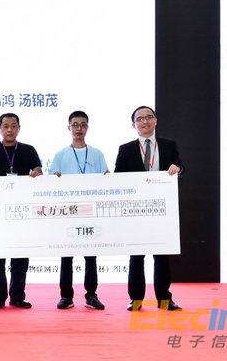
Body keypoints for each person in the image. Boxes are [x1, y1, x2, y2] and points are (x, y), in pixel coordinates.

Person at [114, 106, 183, 311]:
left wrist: (177, 169)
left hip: (162, 210)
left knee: (162, 256)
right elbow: (118, 178)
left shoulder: (169, 145)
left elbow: (181, 167)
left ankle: (164, 299)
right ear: (133, 124)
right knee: (136, 257)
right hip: (136, 211)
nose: (144, 121)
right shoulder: (125, 149)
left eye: (148, 117)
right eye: (140, 119)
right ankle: (136, 299)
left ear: (155, 120)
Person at [0, 112, 43, 309]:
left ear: (19, 128)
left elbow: (38, 170)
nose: (9, 130)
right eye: (5, 126)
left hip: (22, 212)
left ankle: (17, 296)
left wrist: (37, 173)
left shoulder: (28, 150)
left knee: (20, 256)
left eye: (13, 126)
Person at [49, 111, 108, 310]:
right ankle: (66, 296)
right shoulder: (60, 155)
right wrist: (55, 178)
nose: (79, 128)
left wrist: (108, 177)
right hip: (67, 211)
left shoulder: (97, 154)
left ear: (87, 128)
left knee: (91, 256)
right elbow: (50, 183)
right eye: (75, 125)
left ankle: (91, 295)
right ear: (69, 128)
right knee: (66, 256)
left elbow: (105, 179)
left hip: (91, 211)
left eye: (83, 125)